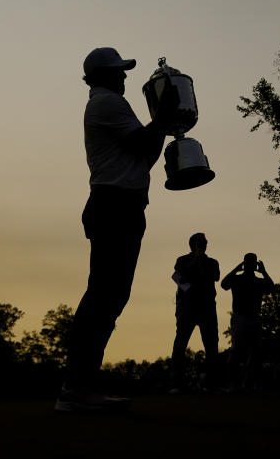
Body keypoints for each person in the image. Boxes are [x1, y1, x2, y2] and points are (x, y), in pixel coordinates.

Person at [56, 47, 177, 412]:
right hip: (114, 206)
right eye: (119, 71)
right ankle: (77, 387)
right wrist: (163, 113)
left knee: (110, 297)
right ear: (104, 76)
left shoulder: (111, 104)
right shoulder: (107, 103)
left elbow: (146, 157)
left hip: (120, 206)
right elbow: (145, 142)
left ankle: (81, 385)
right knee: (103, 297)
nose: (125, 77)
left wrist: (161, 119)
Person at [171, 232, 221, 392]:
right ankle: (176, 383)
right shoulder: (182, 260)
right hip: (187, 308)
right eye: (200, 243)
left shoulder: (212, 262)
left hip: (207, 307)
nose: (203, 245)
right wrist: (196, 259)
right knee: (180, 344)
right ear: (192, 244)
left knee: (212, 346)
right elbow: (178, 277)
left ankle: (213, 383)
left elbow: (216, 277)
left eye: (204, 242)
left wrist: (200, 261)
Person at [220, 253, 274, 390]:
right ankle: (233, 383)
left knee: (255, 352)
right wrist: (236, 269)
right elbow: (223, 284)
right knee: (236, 351)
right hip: (240, 317)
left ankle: (247, 382)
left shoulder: (258, 282)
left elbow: (271, 288)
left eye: (252, 262)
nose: (250, 265)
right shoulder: (237, 279)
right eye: (248, 262)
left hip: (254, 317)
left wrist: (264, 272)